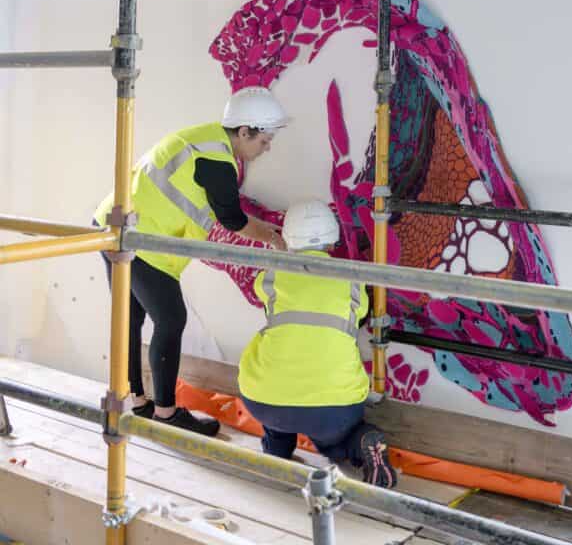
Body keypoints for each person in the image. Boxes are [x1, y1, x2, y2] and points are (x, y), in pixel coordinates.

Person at [94, 86, 288, 436]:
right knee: (170, 319)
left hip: (117, 222)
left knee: (131, 318)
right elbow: (232, 219)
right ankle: (166, 414)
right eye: (264, 140)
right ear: (244, 132)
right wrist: (274, 236)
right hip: (140, 237)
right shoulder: (218, 159)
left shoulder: (206, 141)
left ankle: (136, 401)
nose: (267, 147)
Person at [239, 200, 397, 487]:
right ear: (333, 236)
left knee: (276, 386)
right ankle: (360, 442)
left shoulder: (271, 276)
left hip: (265, 401)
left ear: (288, 237)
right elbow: (359, 316)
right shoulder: (352, 280)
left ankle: (277, 450)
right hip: (332, 409)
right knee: (335, 447)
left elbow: (264, 300)